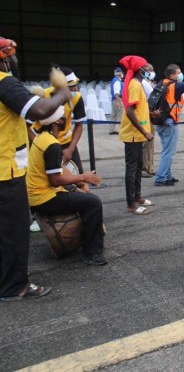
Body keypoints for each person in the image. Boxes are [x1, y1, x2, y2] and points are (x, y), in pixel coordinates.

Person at [0, 37, 71, 301]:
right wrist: (63, 93)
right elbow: (41, 110)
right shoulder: (4, 82)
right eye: (13, 55)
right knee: (13, 232)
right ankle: (13, 287)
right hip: (6, 173)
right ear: (5, 57)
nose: (15, 61)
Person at [27, 107, 106, 266]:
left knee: (84, 197)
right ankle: (92, 253)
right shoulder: (52, 145)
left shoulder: (42, 137)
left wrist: (80, 182)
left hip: (37, 196)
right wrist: (83, 176)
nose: (66, 119)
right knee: (93, 203)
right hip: (44, 199)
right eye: (63, 116)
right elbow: (55, 180)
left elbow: (59, 170)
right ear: (57, 121)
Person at [31, 66, 86, 173]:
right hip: (42, 141)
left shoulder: (77, 97)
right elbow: (27, 126)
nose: (75, 89)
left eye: (76, 85)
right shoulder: (43, 96)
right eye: (71, 87)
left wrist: (71, 149)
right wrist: (38, 146)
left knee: (78, 176)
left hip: (66, 143)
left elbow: (79, 125)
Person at [118, 55, 155, 215]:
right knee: (132, 168)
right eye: (146, 68)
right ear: (140, 70)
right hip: (133, 134)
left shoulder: (138, 84)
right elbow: (130, 111)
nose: (149, 71)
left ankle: (137, 197)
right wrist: (145, 132)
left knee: (138, 166)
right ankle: (131, 203)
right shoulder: (134, 85)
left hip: (138, 134)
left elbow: (138, 109)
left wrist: (151, 114)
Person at [140, 64, 156, 178]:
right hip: (148, 115)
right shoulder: (144, 83)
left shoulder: (145, 82)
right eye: (149, 70)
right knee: (148, 143)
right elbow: (153, 97)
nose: (151, 72)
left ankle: (147, 166)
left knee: (147, 144)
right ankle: (147, 167)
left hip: (146, 114)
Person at [109, 67, 124, 135]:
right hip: (118, 99)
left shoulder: (114, 80)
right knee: (121, 114)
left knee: (114, 115)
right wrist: (118, 101)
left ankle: (112, 129)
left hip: (114, 99)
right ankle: (121, 129)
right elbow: (116, 92)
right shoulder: (117, 81)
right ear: (119, 73)